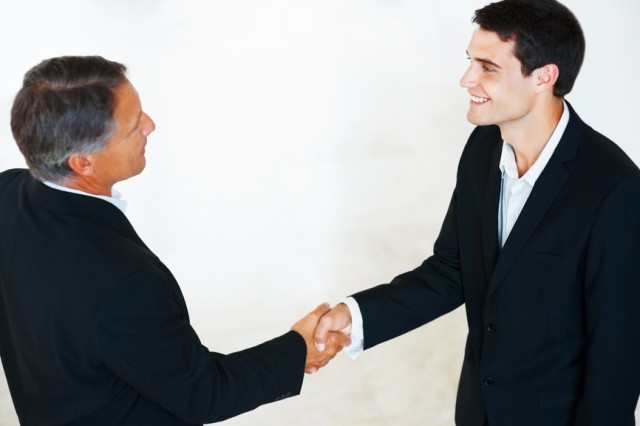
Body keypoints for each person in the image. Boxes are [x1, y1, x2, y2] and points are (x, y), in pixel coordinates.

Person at [314, 0, 640, 425]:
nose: (466, 79)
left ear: (544, 77)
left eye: (488, 67)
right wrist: (354, 318)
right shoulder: (483, 147)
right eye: (470, 61)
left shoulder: (615, 190)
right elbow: (452, 271)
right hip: (478, 411)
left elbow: (616, 354)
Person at [0, 55, 349, 426]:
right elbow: (204, 394)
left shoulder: (7, 192)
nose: (150, 126)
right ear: (83, 162)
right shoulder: (123, 281)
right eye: (133, 126)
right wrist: (299, 349)